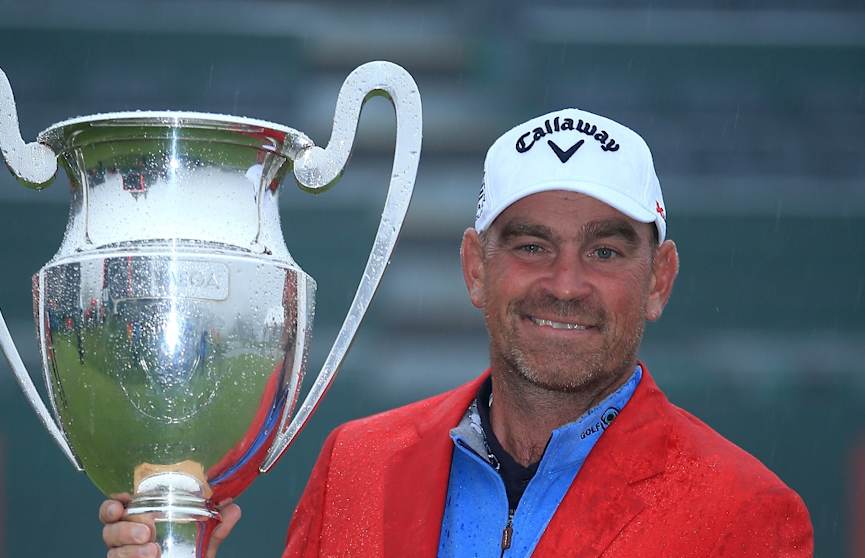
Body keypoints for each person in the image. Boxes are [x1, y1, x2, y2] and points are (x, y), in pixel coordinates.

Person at [101, 108, 814, 557]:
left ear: (657, 278)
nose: (565, 283)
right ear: (476, 267)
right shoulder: (359, 464)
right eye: (531, 245)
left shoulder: (744, 514)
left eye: (604, 250)